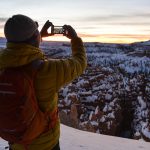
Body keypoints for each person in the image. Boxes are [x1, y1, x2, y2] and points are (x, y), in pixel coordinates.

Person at [0, 14, 87, 150]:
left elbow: (21, 50)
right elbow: (80, 62)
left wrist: (38, 35)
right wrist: (75, 39)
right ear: (35, 38)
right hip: (46, 144)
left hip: (16, 142)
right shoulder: (47, 70)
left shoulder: (2, 66)